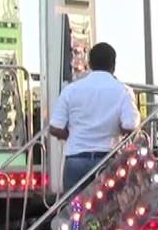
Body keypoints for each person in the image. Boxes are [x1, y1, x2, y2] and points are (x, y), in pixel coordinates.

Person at [48, 43, 140, 194]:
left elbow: (55, 127)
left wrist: (73, 134)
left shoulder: (71, 90)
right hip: (107, 160)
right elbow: (130, 125)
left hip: (76, 159)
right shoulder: (123, 91)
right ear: (113, 65)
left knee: (74, 211)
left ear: (89, 63)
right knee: (108, 211)